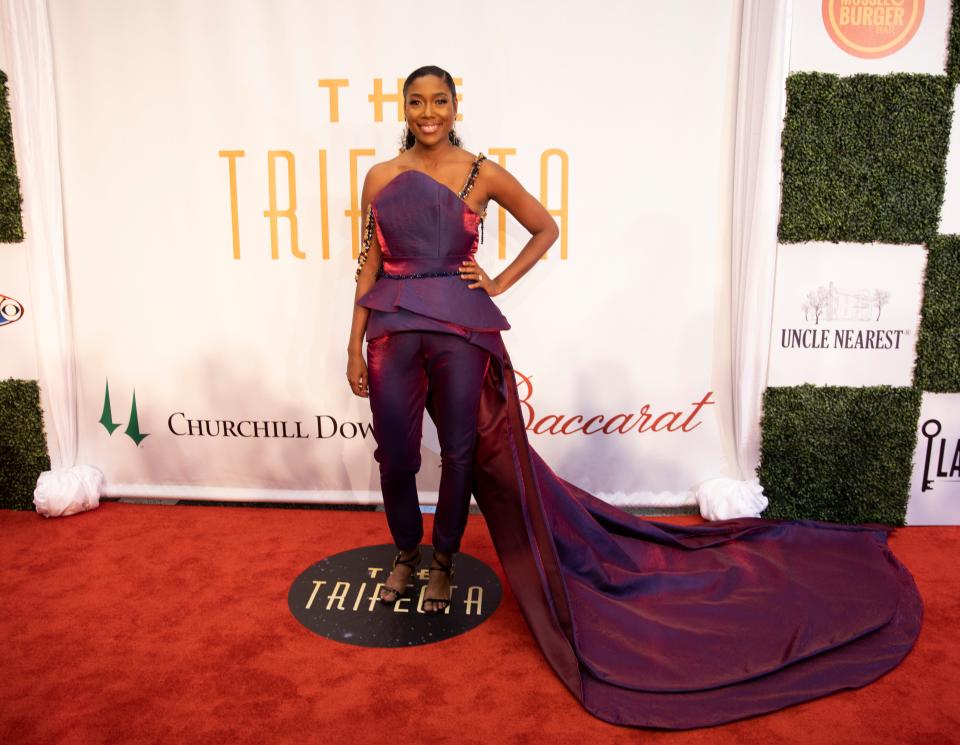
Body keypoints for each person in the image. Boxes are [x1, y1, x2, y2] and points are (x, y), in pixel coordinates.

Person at [345, 65, 923, 729]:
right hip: (390, 324)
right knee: (395, 455)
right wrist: (353, 340)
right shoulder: (380, 177)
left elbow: (544, 226)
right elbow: (369, 259)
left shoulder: (482, 173)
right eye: (416, 102)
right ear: (404, 107)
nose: (427, 112)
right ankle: (405, 552)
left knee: (459, 453)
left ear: (455, 105)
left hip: (461, 329)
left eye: (438, 100)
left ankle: (442, 559)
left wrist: (496, 281)